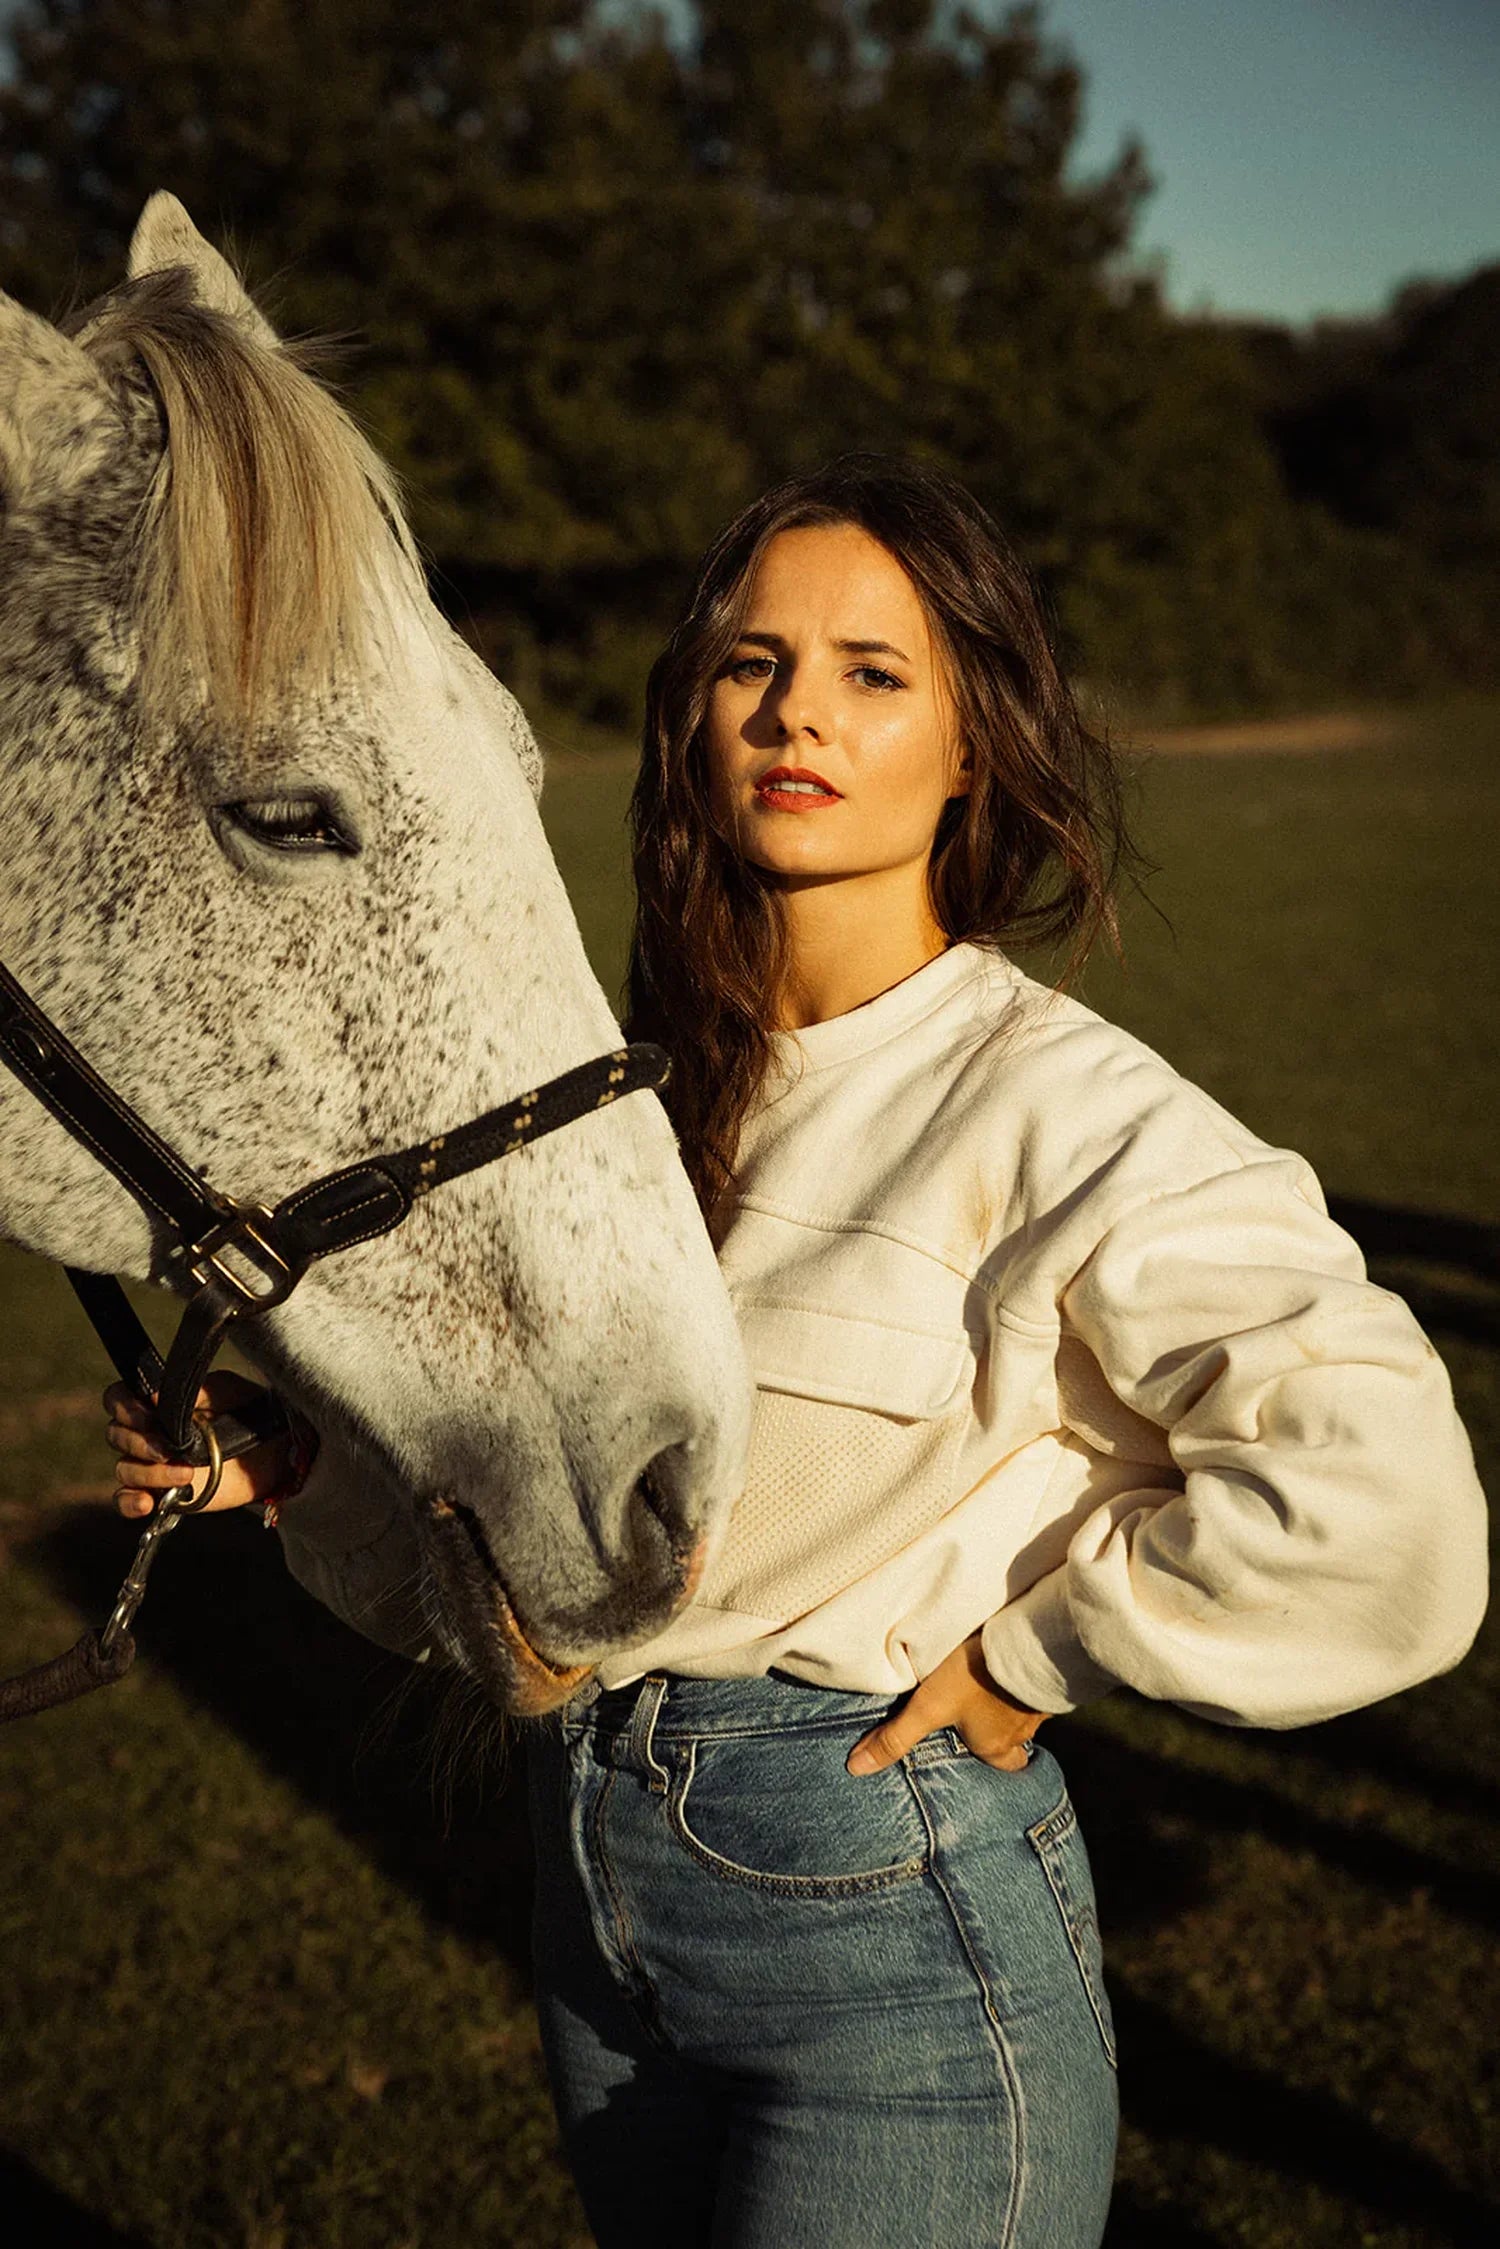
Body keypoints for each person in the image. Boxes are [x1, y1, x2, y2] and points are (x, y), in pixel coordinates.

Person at [104, 455, 1489, 2248]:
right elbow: (574, 1557)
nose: (795, 714)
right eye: (752, 662)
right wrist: (296, 1474)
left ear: (972, 743)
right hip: (596, 1926)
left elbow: (1386, 1504)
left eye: (873, 672)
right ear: (692, 712)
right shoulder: (616, 1110)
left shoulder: (1065, 1108)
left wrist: (1044, 1653)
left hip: (893, 1939)